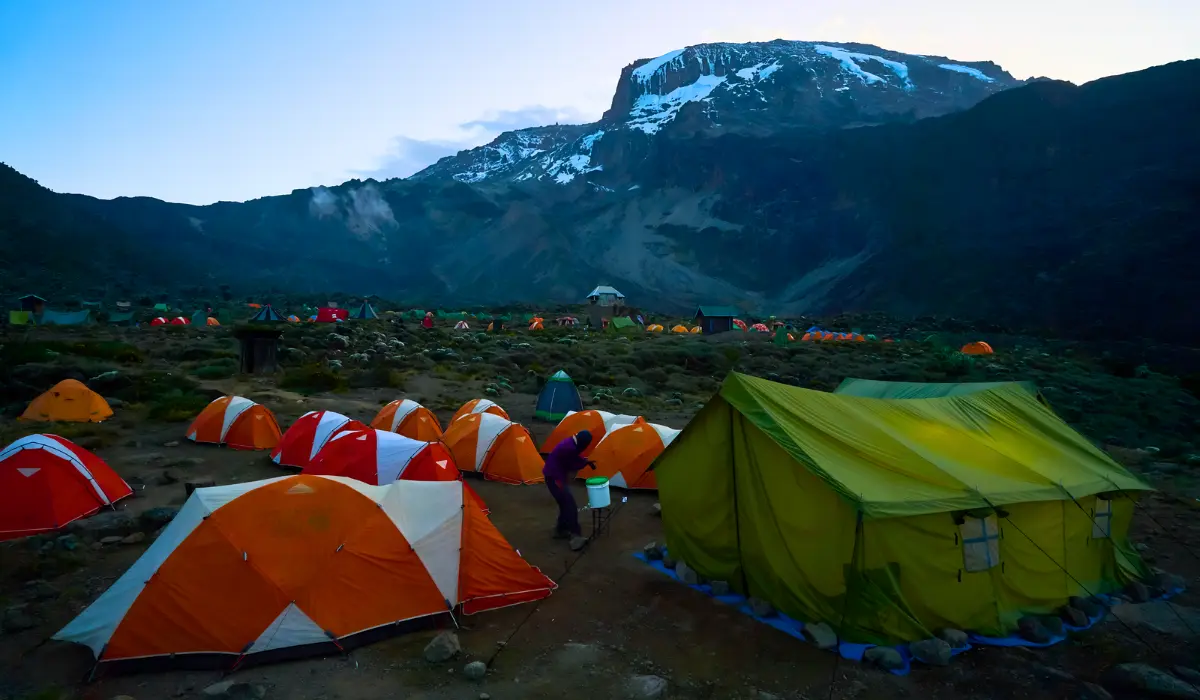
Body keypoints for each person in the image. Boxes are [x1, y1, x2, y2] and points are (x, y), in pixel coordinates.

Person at [543, 430, 593, 549]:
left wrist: (584, 461)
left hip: (553, 476)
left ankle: (560, 530)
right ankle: (576, 537)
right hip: (555, 479)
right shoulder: (569, 448)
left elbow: (574, 457)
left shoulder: (571, 443)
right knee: (570, 505)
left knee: (564, 504)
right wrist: (584, 463)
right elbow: (572, 464)